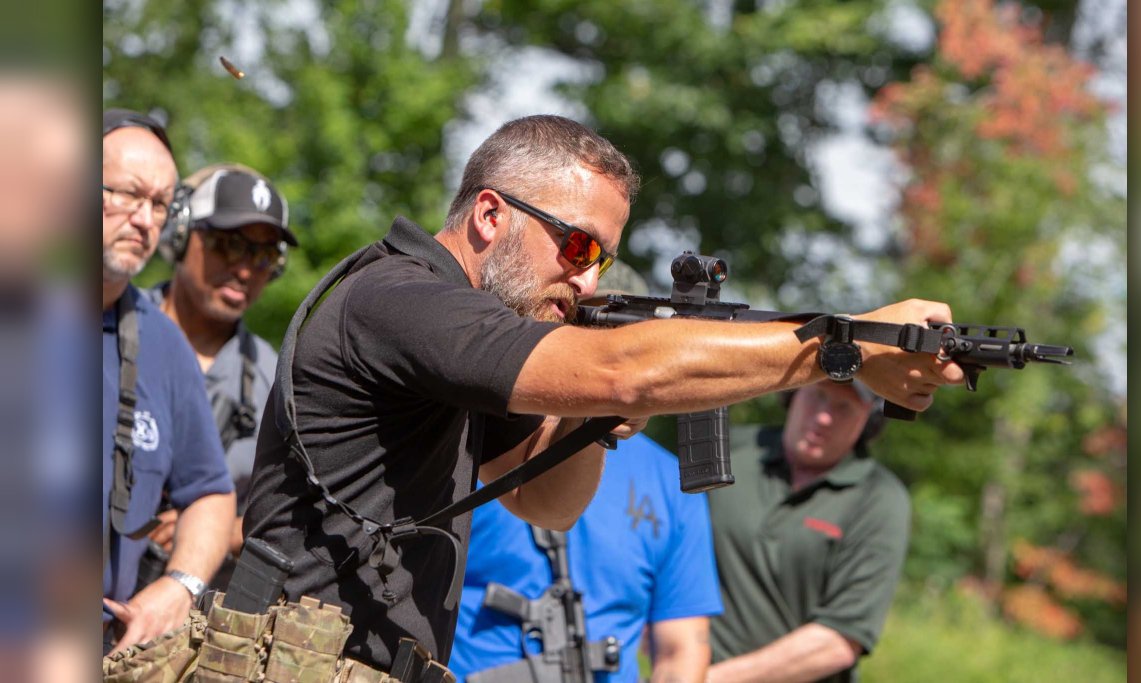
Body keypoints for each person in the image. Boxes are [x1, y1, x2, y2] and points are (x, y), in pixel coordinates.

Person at [244, 114, 964, 673]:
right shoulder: (404, 299)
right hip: (293, 662)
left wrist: (604, 411)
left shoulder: (446, 336)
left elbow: (544, 501)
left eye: (602, 258)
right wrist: (846, 349)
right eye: (577, 246)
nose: (588, 281)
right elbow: (625, 367)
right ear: (491, 215)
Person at [449, 263, 722, 683]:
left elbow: (682, 648)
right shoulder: (484, 439)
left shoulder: (670, 480)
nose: (601, 347)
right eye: (585, 324)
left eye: (621, 332)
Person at [101, 109, 236, 655]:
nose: (144, 220)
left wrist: (180, 586)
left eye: (159, 205)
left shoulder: (162, 344)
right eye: (128, 195)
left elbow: (210, 491)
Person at [144, 163, 295, 586]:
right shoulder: (105, 332)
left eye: (264, 255)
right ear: (179, 235)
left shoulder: (277, 380)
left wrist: (215, 529)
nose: (246, 269)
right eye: (229, 244)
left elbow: (298, 510)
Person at [706, 381, 910, 683]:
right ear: (793, 393)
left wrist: (706, 679)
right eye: (818, 396)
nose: (824, 417)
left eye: (845, 407)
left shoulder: (878, 497)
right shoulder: (728, 452)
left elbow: (841, 639)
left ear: (869, 418)